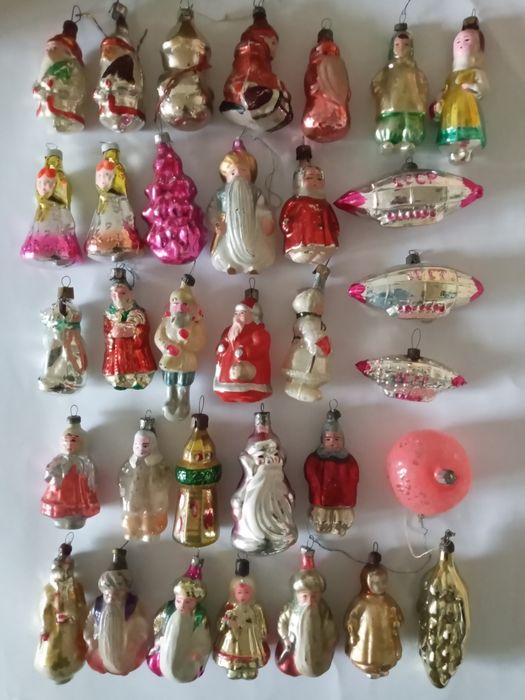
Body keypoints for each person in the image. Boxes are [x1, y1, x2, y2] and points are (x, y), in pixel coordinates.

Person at [231, 409, 296, 555]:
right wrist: (249, 474)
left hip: (282, 532)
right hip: (248, 533)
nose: (269, 460)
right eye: (261, 457)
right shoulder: (251, 479)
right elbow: (237, 502)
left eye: (274, 455)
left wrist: (289, 499)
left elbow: (289, 498)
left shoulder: (277, 479)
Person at [220, 5, 292, 132]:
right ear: (263, 38)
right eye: (273, 43)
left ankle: (260, 114)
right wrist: (277, 85)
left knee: (279, 98)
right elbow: (253, 74)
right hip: (244, 95)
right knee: (272, 96)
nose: (275, 49)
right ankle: (256, 111)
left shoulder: (258, 57)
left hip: (240, 99)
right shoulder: (251, 51)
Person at [208, 139, 275, 274]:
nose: (238, 174)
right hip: (229, 230)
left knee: (261, 251)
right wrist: (216, 223)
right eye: (233, 172)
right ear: (226, 176)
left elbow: (262, 208)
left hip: (251, 229)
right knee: (220, 255)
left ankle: (254, 264)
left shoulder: (255, 192)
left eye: (243, 171)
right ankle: (229, 264)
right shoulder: (221, 194)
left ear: (250, 175)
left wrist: (266, 220)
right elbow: (213, 209)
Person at [84, 548, 150, 676]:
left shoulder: (133, 605)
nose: (111, 598)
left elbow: (142, 626)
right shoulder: (98, 606)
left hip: (127, 651)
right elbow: (89, 623)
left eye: (118, 594)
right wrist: (89, 638)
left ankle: (121, 666)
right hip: (101, 649)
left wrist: (136, 640)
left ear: (125, 592)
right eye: (107, 595)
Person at [432, 16, 488, 163]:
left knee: (467, 133)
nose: (461, 44)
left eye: (467, 41)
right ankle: (457, 149)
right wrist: (439, 101)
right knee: (452, 133)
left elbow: (483, 87)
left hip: (468, 110)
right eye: (458, 42)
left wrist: (473, 87)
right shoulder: (450, 77)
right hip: (451, 113)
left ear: (479, 51)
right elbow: (444, 91)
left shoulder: (475, 73)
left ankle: (465, 150)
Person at [148, 556, 212, 682]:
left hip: (186, 654)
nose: (182, 606)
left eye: (188, 602)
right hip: (166, 649)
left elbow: (204, 638)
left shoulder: (199, 616)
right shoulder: (168, 610)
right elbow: (157, 625)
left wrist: (198, 651)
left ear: (196, 602)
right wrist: (158, 641)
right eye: (179, 601)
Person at [276, 547, 337, 677]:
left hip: (317, 651)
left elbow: (330, 629)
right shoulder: (292, 609)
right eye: (305, 596)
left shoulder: (323, 611)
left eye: (314, 596)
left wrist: (329, 645)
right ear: (297, 596)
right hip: (294, 647)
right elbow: (282, 622)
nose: (310, 601)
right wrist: (285, 638)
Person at [155, 274, 206, 420]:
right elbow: (158, 337)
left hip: (187, 360)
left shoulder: (196, 324)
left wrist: (187, 340)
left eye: (184, 304)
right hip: (169, 358)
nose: (180, 308)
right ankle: (170, 398)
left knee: (184, 382)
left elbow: (200, 343)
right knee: (170, 381)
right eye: (175, 303)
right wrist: (167, 346)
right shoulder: (166, 322)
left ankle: (184, 400)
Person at [345, 550, 403, 678]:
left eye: (384, 582)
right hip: (366, 634)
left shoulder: (387, 600)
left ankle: (384, 665)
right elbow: (352, 617)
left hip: (385, 635)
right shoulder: (362, 601)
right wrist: (352, 631)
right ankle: (370, 668)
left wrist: (396, 620)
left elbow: (397, 613)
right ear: (366, 582)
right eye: (376, 583)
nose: (381, 586)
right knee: (368, 652)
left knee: (385, 653)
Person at [35, 542, 87, 684]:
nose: (63, 574)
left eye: (67, 570)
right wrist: (45, 626)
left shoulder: (76, 588)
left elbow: (82, 607)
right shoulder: (49, 590)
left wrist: (75, 617)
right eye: (59, 569)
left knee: (69, 645)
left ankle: (67, 663)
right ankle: (55, 665)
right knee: (53, 647)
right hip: (54, 628)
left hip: (70, 626)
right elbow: (44, 608)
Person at [371, 23, 428, 152]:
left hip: (412, 105)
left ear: (411, 48)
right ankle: (388, 140)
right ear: (392, 48)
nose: (401, 48)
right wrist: (383, 96)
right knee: (392, 123)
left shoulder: (415, 71)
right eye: (397, 45)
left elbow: (423, 85)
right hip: (392, 104)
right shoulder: (388, 70)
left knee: (410, 124)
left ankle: (409, 140)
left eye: (406, 45)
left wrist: (420, 99)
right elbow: (376, 83)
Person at [20, 148, 82, 266]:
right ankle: (43, 252)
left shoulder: (60, 206)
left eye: (47, 183)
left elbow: (68, 221)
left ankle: (58, 253)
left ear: (56, 185)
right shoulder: (41, 208)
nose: (43, 187)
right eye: (40, 183)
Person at [304, 407, 359, 535]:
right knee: (322, 514)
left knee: (341, 515)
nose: (333, 443)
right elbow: (310, 473)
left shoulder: (348, 459)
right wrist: (317, 487)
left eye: (337, 439)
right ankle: (322, 525)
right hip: (323, 496)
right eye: (328, 439)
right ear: (322, 441)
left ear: (343, 440)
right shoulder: (315, 458)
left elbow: (354, 476)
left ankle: (340, 527)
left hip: (342, 497)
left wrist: (348, 488)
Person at [281, 145, 340, 264]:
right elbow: (285, 218)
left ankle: (319, 254)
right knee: (304, 254)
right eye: (309, 178)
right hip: (301, 242)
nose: (315, 182)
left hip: (325, 243)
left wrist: (335, 230)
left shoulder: (325, 204)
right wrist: (288, 227)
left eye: (319, 179)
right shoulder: (295, 202)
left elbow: (333, 221)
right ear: (299, 181)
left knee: (321, 255)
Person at [41, 414, 99, 529]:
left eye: (73, 441)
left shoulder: (84, 461)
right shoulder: (59, 460)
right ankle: (60, 517)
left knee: (77, 508)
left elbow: (91, 477)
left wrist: (90, 483)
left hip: (78, 490)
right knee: (60, 506)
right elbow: (49, 473)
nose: (69, 445)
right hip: (60, 490)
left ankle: (75, 519)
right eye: (66, 441)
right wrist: (51, 473)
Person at [214, 559, 269, 679]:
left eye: (246, 592)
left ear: (252, 593)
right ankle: (233, 668)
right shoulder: (229, 608)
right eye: (239, 592)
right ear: (233, 593)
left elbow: (261, 624)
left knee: (250, 655)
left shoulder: (256, 608)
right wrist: (226, 622)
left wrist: (261, 633)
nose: (243, 596)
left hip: (250, 638)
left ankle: (250, 668)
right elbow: (220, 626)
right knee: (234, 655)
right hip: (233, 640)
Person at [282, 265, 332, 402]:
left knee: (300, 368)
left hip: (300, 350)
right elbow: (313, 337)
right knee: (307, 370)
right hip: (306, 354)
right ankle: (303, 388)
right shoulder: (310, 321)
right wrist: (320, 348)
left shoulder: (303, 320)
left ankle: (299, 386)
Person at [85, 143, 142, 260]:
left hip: (120, 232)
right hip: (104, 235)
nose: (102, 180)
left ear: (116, 177)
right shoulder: (102, 200)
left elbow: (128, 214)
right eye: (99, 176)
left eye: (106, 176)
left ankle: (118, 246)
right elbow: (98, 218)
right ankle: (109, 246)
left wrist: (129, 221)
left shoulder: (121, 199)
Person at [102, 268, 156, 390]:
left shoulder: (138, 313)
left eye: (122, 293)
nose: (118, 297)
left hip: (134, 349)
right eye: (114, 294)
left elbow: (145, 330)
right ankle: (119, 380)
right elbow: (106, 331)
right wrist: (112, 334)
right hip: (118, 350)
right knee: (117, 363)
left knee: (138, 362)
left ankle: (139, 380)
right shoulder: (109, 314)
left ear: (130, 294)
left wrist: (134, 332)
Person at [214, 288, 271, 402]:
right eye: (236, 313)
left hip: (248, 370)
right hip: (227, 367)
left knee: (246, 381)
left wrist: (246, 351)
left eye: (242, 313)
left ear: (253, 315)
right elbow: (224, 340)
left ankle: (248, 391)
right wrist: (221, 347)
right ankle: (226, 390)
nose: (237, 316)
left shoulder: (258, 332)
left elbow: (261, 347)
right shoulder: (229, 330)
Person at [93, 5, 145, 132]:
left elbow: (135, 86)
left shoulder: (128, 65)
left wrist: (116, 89)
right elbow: (99, 89)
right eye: (106, 50)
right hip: (107, 111)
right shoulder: (106, 69)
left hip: (128, 107)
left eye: (111, 49)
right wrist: (99, 94)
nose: (106, 53)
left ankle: (123, 121)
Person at [118, 415, 170, 541]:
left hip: (152, 502)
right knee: (131, 517)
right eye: (137, 445)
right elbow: (123, 478)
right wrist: (123, 489)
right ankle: (132, 531)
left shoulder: (159, 464)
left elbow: (165, 481)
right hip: (133, 499)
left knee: (150, 518)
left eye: (145, 446)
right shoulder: (130, 464)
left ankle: (150, 532)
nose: (140, 449)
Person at [33, 19, 85, 132]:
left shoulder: (72, 67)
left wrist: (63, 91)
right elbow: (40, 82)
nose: (49, 52)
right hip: (47, 104)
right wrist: (39, 89)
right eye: (48, 49)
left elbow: (77, 87)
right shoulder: (48, 69)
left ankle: (65, 120)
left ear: (67, 52)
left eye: (54, 48)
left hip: (65, 104)